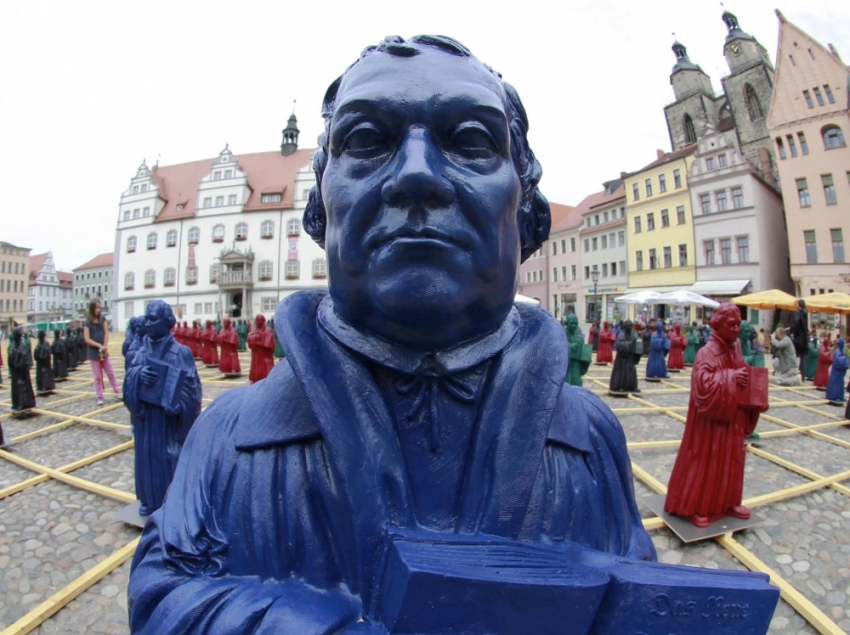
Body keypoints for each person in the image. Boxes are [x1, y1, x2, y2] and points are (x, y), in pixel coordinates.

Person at [128, 36, 654, 634]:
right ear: (323, 209)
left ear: (525, 208)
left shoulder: (592, 436)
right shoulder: (225, 434)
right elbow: (162, 598)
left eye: (472, 142)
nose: (417, 176)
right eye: (367, 142)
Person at [665, 303, 768, 528]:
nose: (736, 329)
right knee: (706, 460)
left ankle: (729, 502)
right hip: (709, 423)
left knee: (733, 459)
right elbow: (702, 386)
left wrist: (754, 391)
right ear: (718, 326)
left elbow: (742, 375)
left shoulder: (737, 346)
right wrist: (731, 377)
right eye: (731, 325)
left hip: (733, 417)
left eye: (738, 325)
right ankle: (696, 506)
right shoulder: (706, 353)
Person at [123, 300, 202, 516]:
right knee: (147, 462)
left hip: (168, 424)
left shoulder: (180, 353)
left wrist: (179, 405)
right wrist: (138, 376)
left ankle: (171, 502)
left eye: (153, 319)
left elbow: (192, 391)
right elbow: (128, 382)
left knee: (168, 462)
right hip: (147, 422)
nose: (148, 323)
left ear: (167, 322)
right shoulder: (139, 352)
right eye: (146, 318)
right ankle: (149, 500)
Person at [83, 299, 121, 406]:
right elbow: (87, 339)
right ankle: (99, 396)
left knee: (110, 372)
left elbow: (106, 333)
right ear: (92, 309)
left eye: (99, 307)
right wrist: (98, 345)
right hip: (93, 353)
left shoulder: (103, 319)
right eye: (96, 308)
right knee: (97, 377)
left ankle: (118, 391)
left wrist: (104, 346)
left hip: (103, 352)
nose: (98, 310)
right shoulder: (87, 323)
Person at [609, 319, 642, 394]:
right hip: (622, 358)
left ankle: (632, 386)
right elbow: (619, 345)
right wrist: (629, 343)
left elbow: (636, 343)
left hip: (630, 358)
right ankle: (621, 386)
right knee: (622, 373)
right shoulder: (621, 334)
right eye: (628, 326)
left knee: (632, 372)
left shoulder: (632, 334)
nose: (630, 328)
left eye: (631, 326)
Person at [9, 327, 36, 413]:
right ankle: (18, 403)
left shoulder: (22, 345)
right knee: (17, 387)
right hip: (16, 371)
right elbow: (10, 358)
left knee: (23, 386)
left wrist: (18, 365)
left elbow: (24, 358)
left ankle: (24, 403)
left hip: (22, 372)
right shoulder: (13, 346)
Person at [247, 313, 275, 383]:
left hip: (264, 354)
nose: (257, 322)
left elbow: (267, 344)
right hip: (256, 354)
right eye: (256, 320)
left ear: (263, 321)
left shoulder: (268, 330)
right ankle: (255, 379)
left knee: (265, 368)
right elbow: (249, 340)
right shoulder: (253, 330)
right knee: (256, 368)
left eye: (259, 320)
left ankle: (267, 379)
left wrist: (258, 342)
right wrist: (256, 338)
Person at [564, 313, 590, 386]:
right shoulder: (562, 334)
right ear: (567, 323)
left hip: (576, 366)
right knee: (566, 384)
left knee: (576, 384)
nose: (574, 325)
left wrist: (586, 357)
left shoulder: (579, 337)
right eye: (571, 323)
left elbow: (582, 351)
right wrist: (570, 346)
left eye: (575, 323)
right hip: (566, 365)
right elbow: (557, 346)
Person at [825, 337, 849, 403]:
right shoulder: (837, 351)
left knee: (840, 384)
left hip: (840, 372)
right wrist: (845, 358)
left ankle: (840, 396)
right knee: (836, 384)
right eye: (843, 343)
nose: (844, 344)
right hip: (836, 372)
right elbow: (838, 361)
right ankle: (834, 396)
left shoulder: (841, 351)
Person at [34, 330, 55, 394]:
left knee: (44, 373)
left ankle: (46, 385)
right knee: (43, 373)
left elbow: (48, 353)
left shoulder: (44, 344)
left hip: (44, 363)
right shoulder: (40, 345)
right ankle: (43, 385)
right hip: (42, 363)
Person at [791, 299, 808, 377]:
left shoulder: (798, 313)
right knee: (803, 357)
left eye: (797, 304)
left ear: (799, 305)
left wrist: (794, 332)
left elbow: (796, 322)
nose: (796, 305)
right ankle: (802, 375)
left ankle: (792, 373)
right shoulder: (805, 313)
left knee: (792, 353)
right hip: (804, 338)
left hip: (798, 338)